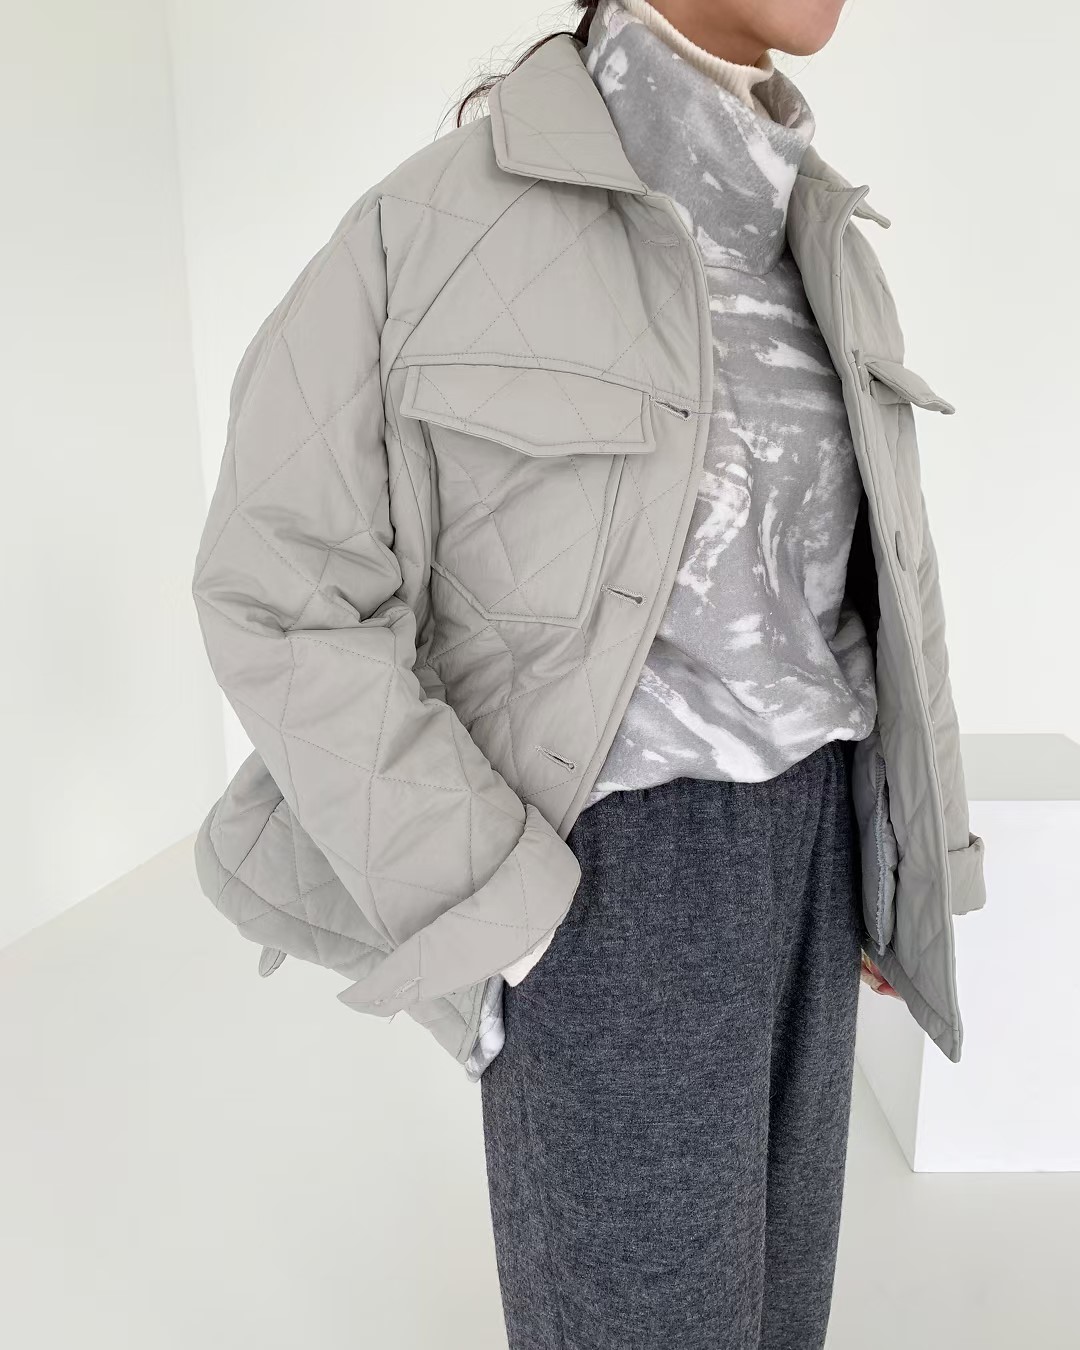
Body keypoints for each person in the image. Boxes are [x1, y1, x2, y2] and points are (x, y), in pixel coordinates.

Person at [190, 1, 986, 1345]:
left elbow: (867, 592)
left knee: (780, 1322)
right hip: (610, 890)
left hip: (811, 861)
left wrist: (893, 858)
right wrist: (495, 901)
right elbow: (278, 588)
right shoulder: (433, 226)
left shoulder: (823, 240)